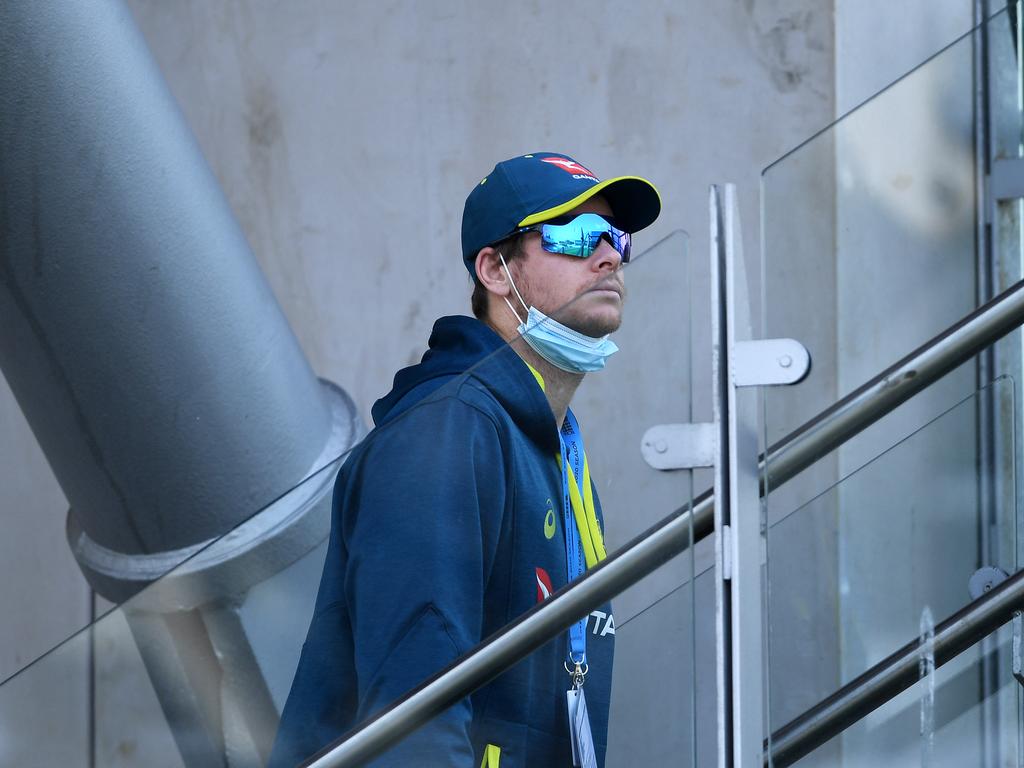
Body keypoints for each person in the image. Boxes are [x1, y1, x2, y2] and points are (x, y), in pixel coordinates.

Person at [269, 152, 660, 768]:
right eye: (577, 234)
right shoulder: (447, 430)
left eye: (616, 237)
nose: (609, 255)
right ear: (496, 269)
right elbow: (412, 715)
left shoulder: (552, 445)